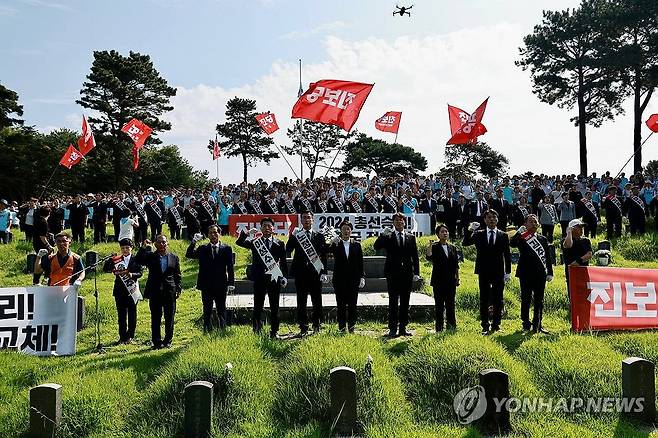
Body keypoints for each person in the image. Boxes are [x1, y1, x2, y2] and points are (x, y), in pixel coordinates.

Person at [236, 217, 288, 338]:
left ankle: (274, 331)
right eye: (264, 226)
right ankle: (256, 329)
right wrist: (247, 233)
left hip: (274, 278)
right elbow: (239, 242)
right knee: (258, 305)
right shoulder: (255, 242)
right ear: (261, 228)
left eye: (269, 226)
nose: (267, 228)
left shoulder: (279, 243)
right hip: (259, 278)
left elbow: (284, 262)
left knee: (275, 306)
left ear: (273, 228)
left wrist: (284, 276)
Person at [463, 209, 511, 335]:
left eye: (494, 217)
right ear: (484, 220)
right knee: (484, 298)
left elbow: (507, 254)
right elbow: (465, 243)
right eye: (489, 217)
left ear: (497, 220)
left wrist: (508, 272)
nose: (492, 219)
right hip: (483, 270)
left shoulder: (503, 235)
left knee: (498, 298)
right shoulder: (479, 234)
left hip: (498, 271)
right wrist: (469, 230)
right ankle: (484, 325)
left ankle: (496, 324)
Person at [374, 212, 420, 337]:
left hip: (407, 274)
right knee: (393, 302)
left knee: (405, 301)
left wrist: (417, 272)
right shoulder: (389, 236)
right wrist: (383, 235)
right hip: (392, 274)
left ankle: (403, 327)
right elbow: (376, 246)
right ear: (393, 223)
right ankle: (392, 328)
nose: (399, 222)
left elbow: (415, 256)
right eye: (396, 220)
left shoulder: (411, 237)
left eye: (401, 220)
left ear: (404, 222)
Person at [135, 235, 182, 349]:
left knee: (169, 317)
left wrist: (178, 288)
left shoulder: (174, 257)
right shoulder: (151, 256)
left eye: (164, 242)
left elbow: (177, 275)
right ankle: (156, 342)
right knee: (156, 317)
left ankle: (168, 340)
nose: (162, 244)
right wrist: (143, 247)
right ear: (155, 244)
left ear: (167, 243)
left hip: (169, 291)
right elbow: (138, 260)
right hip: (155, 291)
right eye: (159, 242)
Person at [286, 211, 328, 336]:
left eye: (309, 218)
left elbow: (324, 256)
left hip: (315, 273)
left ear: (313, 220)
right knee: (301, 301)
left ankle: (317, 325)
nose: (306, 220)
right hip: (301, 273)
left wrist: (324, 271)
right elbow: (288, 250)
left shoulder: (319, 236)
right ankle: (303, 327)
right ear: (301, 221)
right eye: (304, 218)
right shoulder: (297, 235)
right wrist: (292, 236)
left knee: (317, 300)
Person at [186, 225, 235, 332]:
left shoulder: (226, 248)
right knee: (207, 308)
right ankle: (207, 329)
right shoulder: (203, 248)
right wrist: (194, 241)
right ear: (207, 235)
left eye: (215, 232)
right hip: (206, 284)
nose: (213, 235)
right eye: (210, 233)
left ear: (219, 234)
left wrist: (231, 283)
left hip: (221, 284)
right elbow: (189, 254)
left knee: (221, 308)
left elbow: (230, 267)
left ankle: (223, 329)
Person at [510, 214, 553, 333]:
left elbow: (547, 257)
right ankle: (526, 324)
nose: (534, 224)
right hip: (525, 273)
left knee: (539, 300)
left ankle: (537, 325)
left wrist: (550, 272)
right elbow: (512, 243)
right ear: (525, 224)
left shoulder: (542, 239)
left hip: (540, 274)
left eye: (535, 222)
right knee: (526, 299)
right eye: (531, 222)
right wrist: (519, 232)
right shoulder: (522, 237)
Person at [103, 239, 143, 344]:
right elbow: (106, 269)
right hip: (119, 291)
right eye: (123, 248)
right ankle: (122, 337)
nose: (125, 250)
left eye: (127, 247)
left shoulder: (136, 259)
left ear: (131, 248)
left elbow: (140, 273)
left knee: (132, 314)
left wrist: (132, 275)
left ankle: (130, 336)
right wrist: (110, 259)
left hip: (132, 290)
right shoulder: (117, 260)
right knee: (121, 315)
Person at [329, 220, 364, 333]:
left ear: (351, 231)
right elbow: (324, 251)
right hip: (339, 280)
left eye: (348, 229)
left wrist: (362, 277)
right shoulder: (336, 244)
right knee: (341, 305)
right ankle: (342, 328)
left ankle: (352, 327)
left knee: (353, 305)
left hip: (354, 279)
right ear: (340, 231)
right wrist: (330, 243)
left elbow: (360, 262)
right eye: (344, 229)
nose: (346, 231)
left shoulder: (356, 245)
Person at [426, 223, 460, 332]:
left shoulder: (452, 247)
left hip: (451, 280)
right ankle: (439, 328)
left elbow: (456, 265)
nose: (445, 233)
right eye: (442, 232)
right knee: (439, 305)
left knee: (451, 304)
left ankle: (451, 327)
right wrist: (430, 245)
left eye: (446, 231)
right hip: (438, 280)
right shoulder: (435, 246)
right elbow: (429, 257)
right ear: (437, 234)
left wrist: (457, 278)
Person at [561, 218, 592, 298]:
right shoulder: (565, 240)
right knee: (572, 293)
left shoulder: (585, 241)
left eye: (582, 227)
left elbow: (589, 254)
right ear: (572, 228)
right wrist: (569, 232)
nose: (581, 229)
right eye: (579, 227)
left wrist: (578, 261)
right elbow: (568, 245)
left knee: (585, 293)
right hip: (571, 271)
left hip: (583, 270)